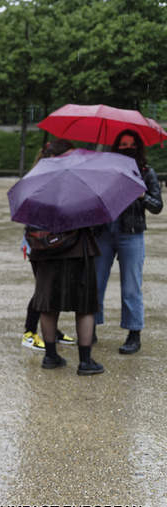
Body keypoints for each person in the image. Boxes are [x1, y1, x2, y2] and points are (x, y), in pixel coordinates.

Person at [27, 140, 103, 376]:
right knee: (85, 306)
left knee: (48, 305)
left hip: (45, 251)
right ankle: (85, 361)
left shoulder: (36, 181)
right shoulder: (81, 183)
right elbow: (95, 218)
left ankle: (51, 357)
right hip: (78, 251)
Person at [94, 129, 163, 354]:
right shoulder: (106, 170)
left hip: (131, 233)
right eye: (122, 144)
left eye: (130, 144)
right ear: (116, 147)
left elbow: (157, 206)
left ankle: (134, 334)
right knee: (96, 282)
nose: (126, 148)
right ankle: (90, 327)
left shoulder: (146, 172)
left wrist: (141, 194)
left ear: (138, 147)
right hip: (104, 231)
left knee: (131, 287)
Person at [21, 143, 76, 351]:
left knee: (54, 287)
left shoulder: (58, 178)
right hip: (39, 241)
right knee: (43, 289)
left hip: (55, 241)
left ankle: (52, 330)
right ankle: (29, 332)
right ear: (54, 157)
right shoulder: (38, 178)